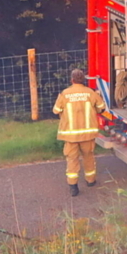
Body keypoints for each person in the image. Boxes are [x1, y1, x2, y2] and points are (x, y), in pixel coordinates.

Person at [53, 68, 107, 197]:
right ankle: (90, 181)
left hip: (70, 135)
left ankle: (73, 187)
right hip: (88, 134)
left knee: (72, 159)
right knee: (88, 157)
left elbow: (56, 110)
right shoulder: (91, 93)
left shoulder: (64, 94)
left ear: (71, 80)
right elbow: (101, 108)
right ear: (83, 79)